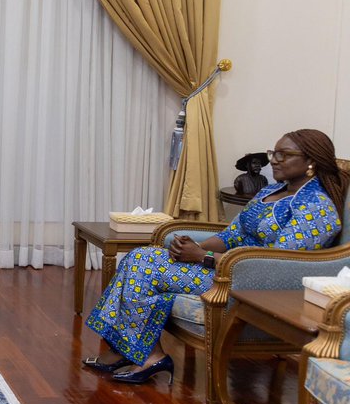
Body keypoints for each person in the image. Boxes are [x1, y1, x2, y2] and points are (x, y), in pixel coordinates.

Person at [84, 129, 346, 384]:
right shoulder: (270, 191)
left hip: (248, 284)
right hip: (223, 267)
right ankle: (133, 350)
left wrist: (201, 256)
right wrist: (188, 246)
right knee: (141, 255)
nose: (274, 160)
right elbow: (231, 235)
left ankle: (147, 355)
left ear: (311, 160)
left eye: (283, 154)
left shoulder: (316, 208)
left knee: (144, 265)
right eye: (273, 153)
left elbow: (275, 264)